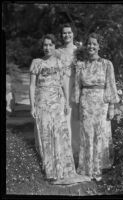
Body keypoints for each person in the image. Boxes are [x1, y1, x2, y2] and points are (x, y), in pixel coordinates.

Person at [29, 34, 90, 184]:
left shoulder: (59, 62)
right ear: (42, 47)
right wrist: (32, 106)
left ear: (54, 46)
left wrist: (66, 103)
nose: (47, 47)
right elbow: (31, 86)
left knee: (60, 135)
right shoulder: (37, 62)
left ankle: (65, 170)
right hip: (42, 103)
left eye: (50, 45)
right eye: (45, 45)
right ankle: (51, 172)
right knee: (46, 135)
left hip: (58, 102)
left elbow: (63, 83)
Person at [73, 33, 120, 181]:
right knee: (87, 135)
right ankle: (86, 168)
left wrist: (112, 107)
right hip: (86, 104)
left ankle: (98, 168)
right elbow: (77, 87)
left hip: (101, 104)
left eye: (94, 44)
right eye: (89, 44)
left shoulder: (107, 64)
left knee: (100, 135)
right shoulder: (81, 65)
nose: (91, 46)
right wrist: (76, 106)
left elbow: (111, 85)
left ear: (99, 46)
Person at [56, 23, 80, 161]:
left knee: (75, 120)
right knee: (64, 118)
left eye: (69, 32)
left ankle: (77, 151)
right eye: (64, 33)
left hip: (75, 86)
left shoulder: (79, 51)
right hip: (62, 86)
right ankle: (65, 152)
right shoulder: (58, 52)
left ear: (73, 34)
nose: (67, 35)